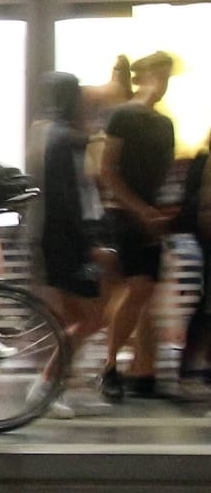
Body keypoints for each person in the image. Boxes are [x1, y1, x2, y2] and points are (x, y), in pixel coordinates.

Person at [30, 72, 114, 418]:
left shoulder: (46, 132)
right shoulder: (66, 140)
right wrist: (91, 241)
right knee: (91, 316)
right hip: (69, 243)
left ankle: (54, 383)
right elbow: (71, 197)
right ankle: (46, 385)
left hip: (54, 239)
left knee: (78, 316)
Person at [98, 51, 177, 401]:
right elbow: (107, 170)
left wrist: (157, 212)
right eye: (158, 76)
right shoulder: (122, 116)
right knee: (137, 288)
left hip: (148, 212)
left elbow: (164, 172)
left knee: (143, 291)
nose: (161, 85)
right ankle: (112, 365)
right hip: (123, 213)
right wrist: (138, 209)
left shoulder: (163, 123)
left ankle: (134, 367)